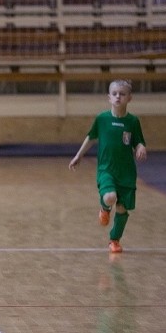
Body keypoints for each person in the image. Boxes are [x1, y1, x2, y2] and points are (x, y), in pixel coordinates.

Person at [68, 79, 147, 254]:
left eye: (122, 94)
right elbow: (91, 138)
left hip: (126, 172)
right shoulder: (102, 119)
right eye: (114, 94)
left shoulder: (133, 121)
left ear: (129, 98)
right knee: (110, 197)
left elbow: (139, 142)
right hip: (106, 170)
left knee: (122, 209)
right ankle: (104, 209)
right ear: (109, 98)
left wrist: (141, 147)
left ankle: (114, 240)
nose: (118, 96)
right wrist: (78, 156)